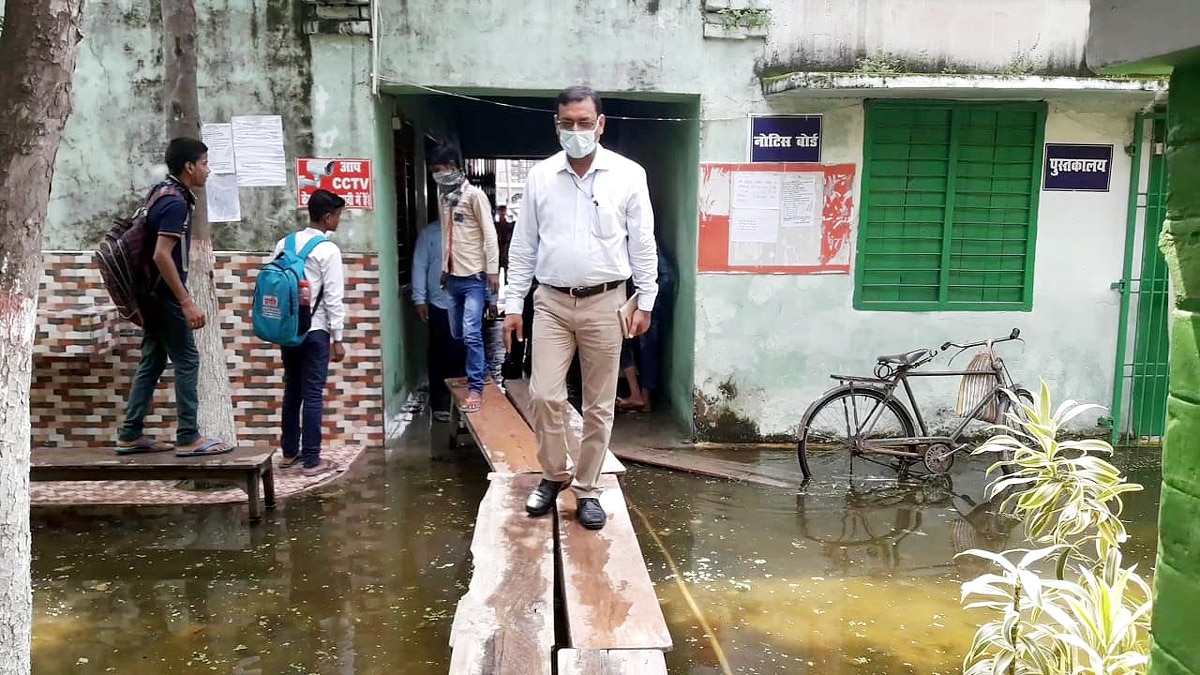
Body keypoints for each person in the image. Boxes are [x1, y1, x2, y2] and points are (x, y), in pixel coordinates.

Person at [504, 85, 659, 531]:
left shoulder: (629, 175)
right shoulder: (540, 178)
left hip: (607, 301)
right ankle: (554, 474)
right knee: (544, 395)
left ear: (600, 124)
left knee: (599, 403)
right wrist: (513, 304)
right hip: (550, 302)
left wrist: (645, 299)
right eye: (566, 123)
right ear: (557, 125)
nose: (575, 131)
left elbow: (642, 241)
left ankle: (588, 488)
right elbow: (524, 245)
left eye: (583, 122)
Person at [116, 137, 235, 458]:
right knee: (188, 360)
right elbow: (161, 255)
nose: (208, 171)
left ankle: (129, 433)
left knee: (152, 360)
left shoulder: (161, 191)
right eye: (205, 164)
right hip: (163, 296)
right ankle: (188, 436)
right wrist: (186, 301)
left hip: (149, 294)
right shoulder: (175, 203)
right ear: (189, 167)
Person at [275, 189, 347, 477]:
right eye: (339, 215)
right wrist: (338, 338)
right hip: (316, 331)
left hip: (289, 330)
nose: (339, 220)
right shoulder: (328, 250)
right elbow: (333, 297)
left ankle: (289, 453)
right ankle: (312, 460)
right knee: (313, 393)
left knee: (292, 389)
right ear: (328, 216)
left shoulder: (285, 242)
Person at [429, 141, 499, 413]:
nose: (437, 174)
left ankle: (476, 386)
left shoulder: (475, 197)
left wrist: (492, 272)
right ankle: (479, 371)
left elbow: (490, 234)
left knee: (471, 333)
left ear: (452, 167)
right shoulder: (444, 197)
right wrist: (444, 270)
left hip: (474, 277)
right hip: (453, 278)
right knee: (457, 332)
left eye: (438, 169)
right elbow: (447, 234)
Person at [412, 217, 466, 423]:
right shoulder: (430, 233)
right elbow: (419, 264)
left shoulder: (471, 231)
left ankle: (462, 404)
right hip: (439, 305)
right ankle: (441, 404)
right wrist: (419, 298)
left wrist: (491, 298)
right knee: (440, 355)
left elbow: (484, 264)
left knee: (463, 354)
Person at [617, 245, 676, 413]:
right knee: (634, 343)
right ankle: (640, 395)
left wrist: (645, 302)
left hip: (647, 296)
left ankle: (641, 396)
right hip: (641, 295)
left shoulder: (637, 241)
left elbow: (664, 276)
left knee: (641, 344)